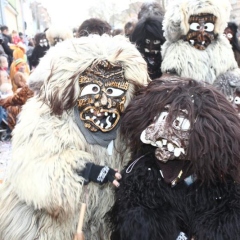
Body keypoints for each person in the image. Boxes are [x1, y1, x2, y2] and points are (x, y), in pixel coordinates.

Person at [0, 35, 149, 240]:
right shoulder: (47, 116)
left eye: (114, 91)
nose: (104, 101)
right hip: (50, 225)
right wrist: (82, 169)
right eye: (94, 89)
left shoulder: (128, 124)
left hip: (101, 221)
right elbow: (31, 171)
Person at [108, 77, 240, 240]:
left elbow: (227, 217)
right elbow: (136, 221)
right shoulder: (142, 172)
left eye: (177, 122)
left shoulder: (217, 176)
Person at [161, 0, 240, 84]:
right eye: (196, 26)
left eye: (207, 26)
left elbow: (232, 74)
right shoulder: (178, 51)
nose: (202, 32)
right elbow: (169, 82)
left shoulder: (222, 48)